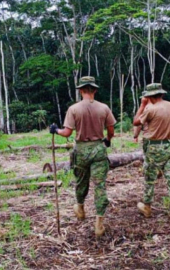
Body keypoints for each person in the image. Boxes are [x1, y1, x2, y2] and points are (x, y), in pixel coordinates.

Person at [50, 76, 116, 238]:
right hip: (99, 149)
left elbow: (67, 132)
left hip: (81, 150)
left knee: (81, 182)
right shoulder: (104, 108)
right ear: (94, 90)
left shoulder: (74, 109)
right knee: (100, 186)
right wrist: (107, 141)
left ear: (81, 90)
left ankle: (80, 207)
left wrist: (55, 130)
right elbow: (111, 131)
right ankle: (99, 223)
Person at [133, 83, 170, 228]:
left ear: (149, 96)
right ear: (161, 94)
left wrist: (142, 105)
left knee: (150, 178)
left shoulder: (150, 109)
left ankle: (147, 207)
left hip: (153, 148)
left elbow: (136, 121)